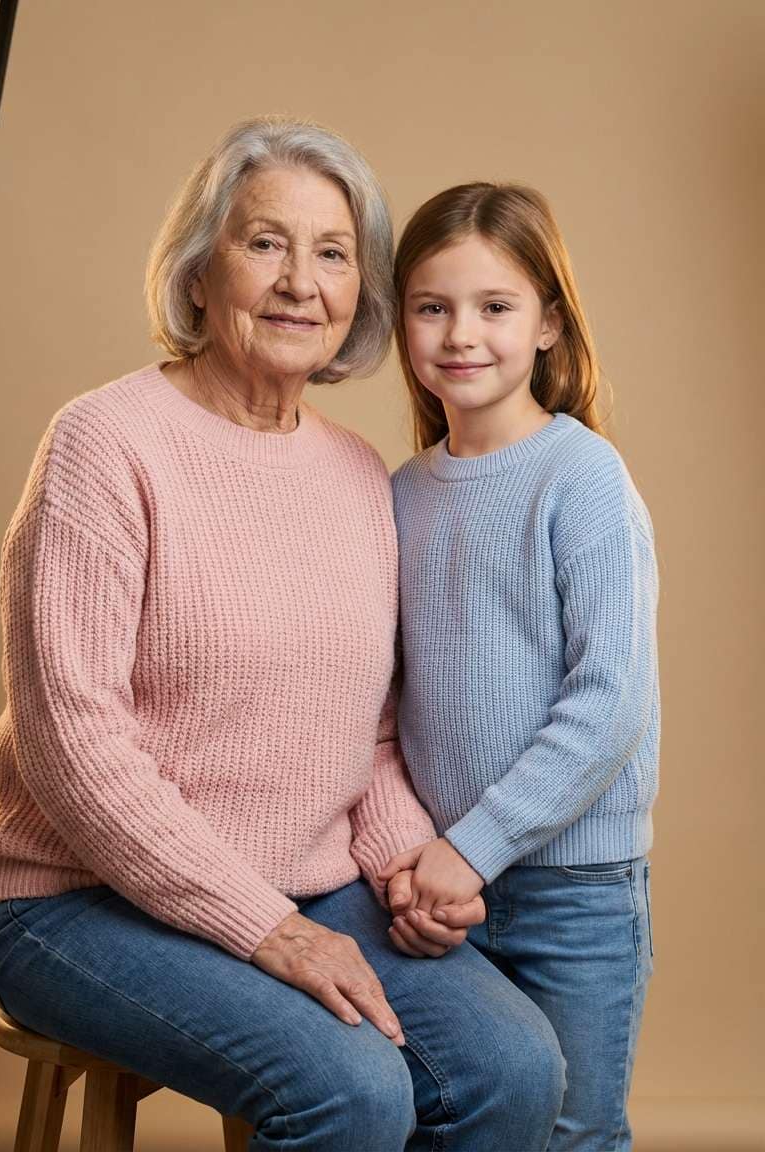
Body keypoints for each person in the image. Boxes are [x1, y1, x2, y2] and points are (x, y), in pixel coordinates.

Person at [0, 122, 566, 1151]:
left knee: (513, 1068)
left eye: (332, 253)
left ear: (359, 293)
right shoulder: (103, 445)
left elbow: (371, 733)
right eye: (265, 243)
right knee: (351, 1091)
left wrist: (403, 869)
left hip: (309, 883)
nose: (299, 283)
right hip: (77, 902)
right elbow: (75, 752)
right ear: (200, 270)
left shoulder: (357, 473)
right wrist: (266, 929)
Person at [378, 182, 659, 1151]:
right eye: (432, 306)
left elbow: (609, 702)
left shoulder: (582, 479)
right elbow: (382, 702)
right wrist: (427, 860)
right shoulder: (400, 494)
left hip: (572, 892)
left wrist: (475, 846)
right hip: (439, 889)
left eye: (494, 306)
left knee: (573, 1133)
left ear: (547, 324)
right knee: (455, 1121)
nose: (461, 334)